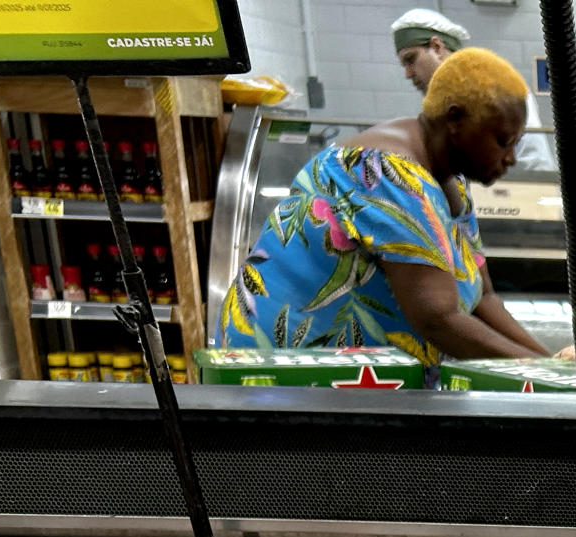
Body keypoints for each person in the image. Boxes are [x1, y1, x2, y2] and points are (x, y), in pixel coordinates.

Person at [221, 48, 551, 367]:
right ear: (455, 120)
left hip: (362, 380)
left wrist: (555, 365)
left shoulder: (453, 183)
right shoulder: (387, 173)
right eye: (503, 141)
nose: (511, 158)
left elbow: (483, 299)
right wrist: (546, 373)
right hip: (286, 374)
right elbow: (438, 319)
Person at [393, 8, 556, 171]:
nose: (408, 74)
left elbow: (535, 163)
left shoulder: (498, 86)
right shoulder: (439, 106)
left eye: (411, 59)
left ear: (437, 47)